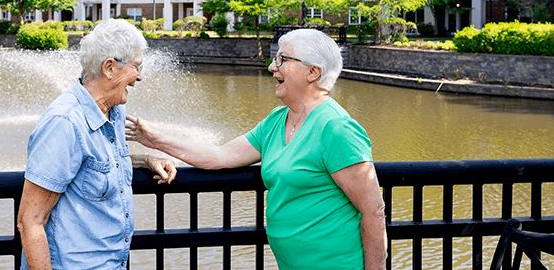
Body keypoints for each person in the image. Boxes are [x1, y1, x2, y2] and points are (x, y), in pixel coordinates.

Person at [126, 28, 387, 270]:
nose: (272, 67)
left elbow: (373, 211)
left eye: (283, 59)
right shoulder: (277, 121)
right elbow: (220, 156)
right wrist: (156, 140)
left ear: (312, 72)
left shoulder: (336, 128)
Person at [17, 19, 177, 270]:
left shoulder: (114, 111)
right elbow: (30, 221)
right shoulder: (64, 122)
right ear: (110, 68)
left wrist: (145, 160)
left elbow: (94, 163)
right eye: (137, 67)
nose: (140, 77)